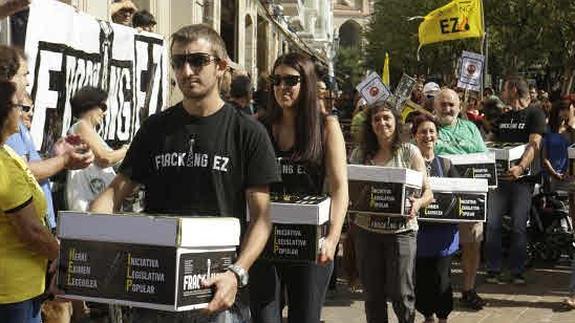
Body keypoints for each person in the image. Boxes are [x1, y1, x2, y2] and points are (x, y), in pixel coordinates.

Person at [90, 24, 279, 322]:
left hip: (215, 291)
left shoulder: (248, 132)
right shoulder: (155, 129)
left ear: (220, 67)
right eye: (178, 62)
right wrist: (81, 241)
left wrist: (237, 273)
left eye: (198, 60)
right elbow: (114, 193)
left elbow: (261, 219)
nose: (187, 70)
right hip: (154, 288)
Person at [248, 52, 348, 323]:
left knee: (305, 317)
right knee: (264, 318)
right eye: (276, 80)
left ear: (307, 84)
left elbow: (340, 189)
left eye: (291, 81)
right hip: (265, 239)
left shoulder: (326, 127)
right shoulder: (259, 126)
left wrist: (333, 238)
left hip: (310, 243)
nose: (282, 87)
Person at [350, 101, 433, 323]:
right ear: (370, 124)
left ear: (396, 121)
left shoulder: (410, 152)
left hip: (402, 232)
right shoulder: (359, 155)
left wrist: (416, 204)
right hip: (367, 232)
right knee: (372, 295)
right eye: (376, 119)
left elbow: (428, 192)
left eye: (387, 117)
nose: (382, 123)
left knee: (401, 293)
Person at [0, 80, 60, 323]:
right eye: (20, 107)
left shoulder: (9, 154)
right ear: (5, 112)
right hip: (13, 294)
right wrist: (61, 255)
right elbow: (31, 230)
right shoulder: (4, 166)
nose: (25, 113)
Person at [486, 76, 546, 285]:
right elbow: (490, 140)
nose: (502, 93)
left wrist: (520, 168)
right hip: (499, 179)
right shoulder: (504, 115)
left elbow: (535, 144)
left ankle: (517, 270)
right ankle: (492, 269)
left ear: (513, 89)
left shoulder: (535, 113)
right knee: (492, 225)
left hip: (523, 181)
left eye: (504, 89)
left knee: (519, 226)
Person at [432, 88, 489, 310]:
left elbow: (483, 158)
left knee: (472, 243)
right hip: (438, 197)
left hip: (469, 195)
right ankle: (437, 289)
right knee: (440, 245)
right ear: (435, 106)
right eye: (443, 104)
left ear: (459, 107)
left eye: (451, 105)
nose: (447, 108)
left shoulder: (471, 128)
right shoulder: (428, 128)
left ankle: (468, 289)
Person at [412, 114, 459, 323]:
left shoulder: (447, 164)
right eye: (422, 131)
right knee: (422, 278)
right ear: (415, 136)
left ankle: (443, 317)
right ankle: (427, 316)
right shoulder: (409, 166)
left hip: (443, 235)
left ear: (437, 137)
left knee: (442, 279)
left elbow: (460, 195)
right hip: (419, 233)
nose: (428, 136)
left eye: (431, 131)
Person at [66, 86, 128, 211]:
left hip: (98, 204)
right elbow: (105, 158)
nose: (104, 113)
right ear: (90, 105)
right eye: (103, 107)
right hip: (87, 204)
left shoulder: (93, 134)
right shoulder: (81, 126)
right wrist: (127, 149)